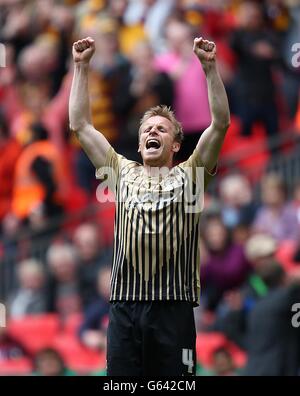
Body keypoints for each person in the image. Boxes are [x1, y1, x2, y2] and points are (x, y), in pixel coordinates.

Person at [69, 35, 230, 375]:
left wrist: (210, 68)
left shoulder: (192, 175)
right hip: (124, 306)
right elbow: (81, 125)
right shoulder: (119, 171)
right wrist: (81, 68)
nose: (152, 132)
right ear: (141, 143)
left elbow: (220, 124)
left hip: (174, 307)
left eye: (161, 128)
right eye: (147, 129)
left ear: (174, 145)